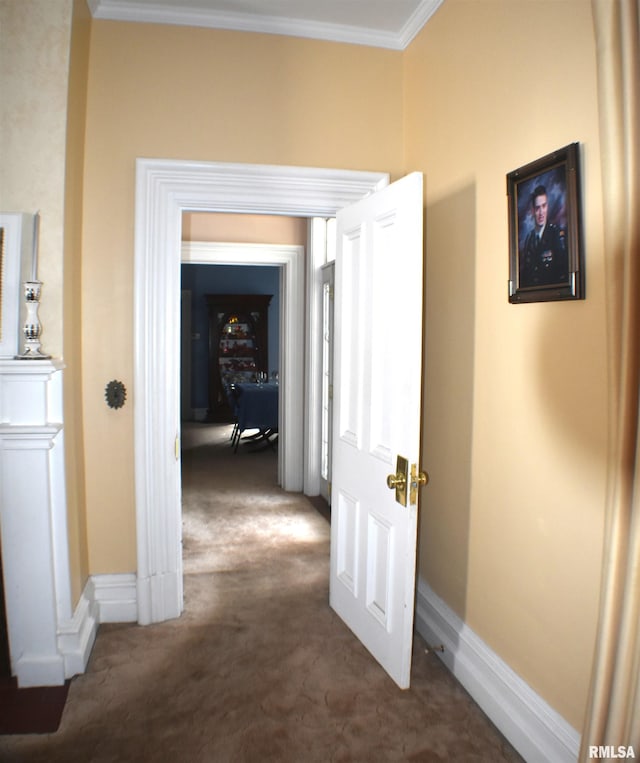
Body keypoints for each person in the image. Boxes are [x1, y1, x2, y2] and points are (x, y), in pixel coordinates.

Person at [520, 184, 568, 287]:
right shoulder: (530, 238)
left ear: (547, 207)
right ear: (533, 211)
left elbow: (562, 273)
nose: (541, 212)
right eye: (537, 208)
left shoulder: (556, 234)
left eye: (544, 206)